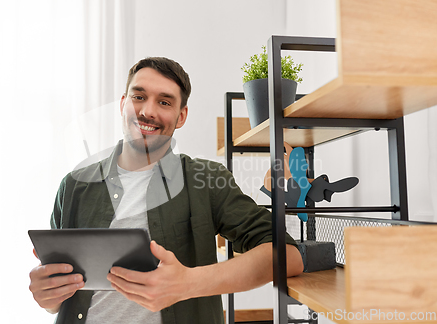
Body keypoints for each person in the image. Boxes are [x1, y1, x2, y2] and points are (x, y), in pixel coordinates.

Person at [29, 57, 303, 324]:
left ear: (181, 116)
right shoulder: (74, 185)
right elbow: (56, 299)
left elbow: (288, 256)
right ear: (123, 104)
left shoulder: (206, 179)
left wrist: (189, 283)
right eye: (138, 97)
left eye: (164, 102)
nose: (148, 111)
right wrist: (48, 297)